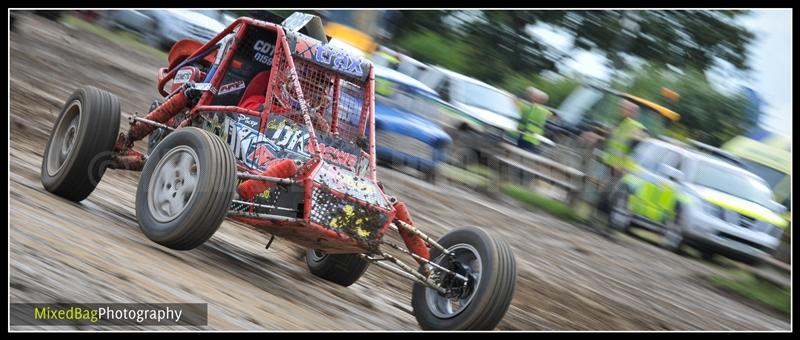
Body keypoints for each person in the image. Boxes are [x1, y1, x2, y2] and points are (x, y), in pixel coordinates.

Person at [516, 87, 553, 153]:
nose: (528, 96)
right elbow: (550, 115)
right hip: (533, 138)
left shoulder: (531, 108)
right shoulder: (545, 111)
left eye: (531, 95)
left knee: (518, 153)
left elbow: (515, 103)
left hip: (524, 136)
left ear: (537, 99)